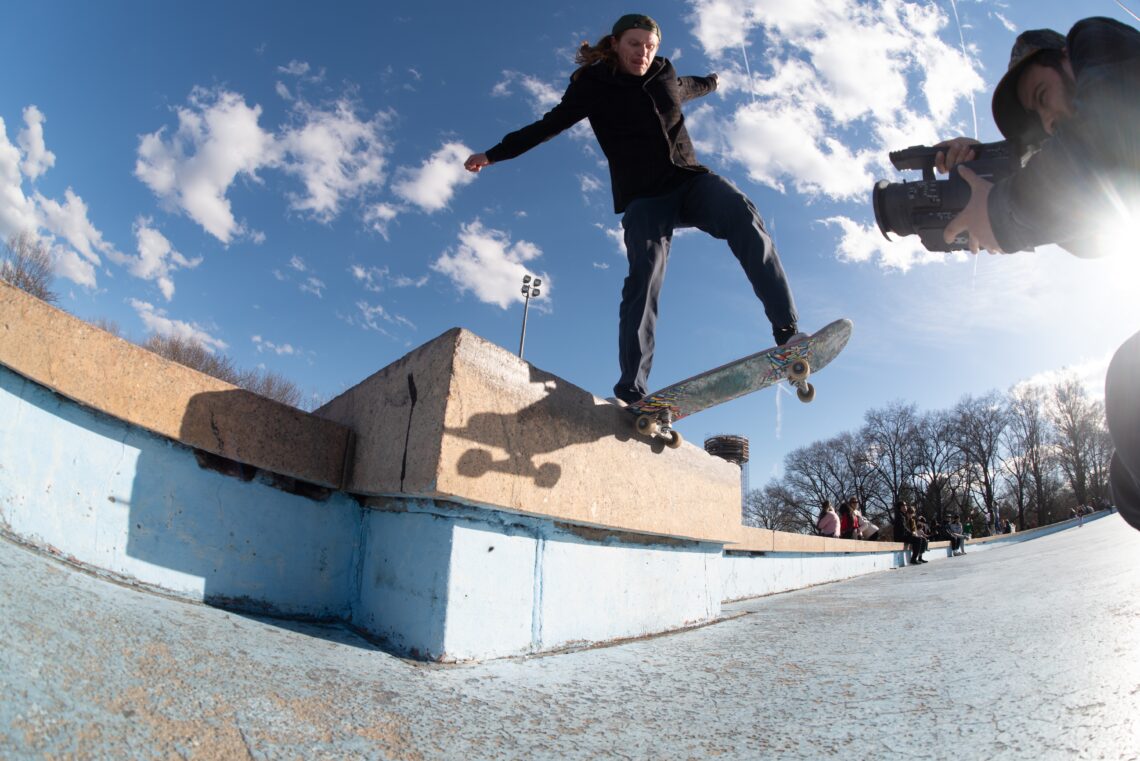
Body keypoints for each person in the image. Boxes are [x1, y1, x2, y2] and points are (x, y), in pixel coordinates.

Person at [464, 14, 801, 405]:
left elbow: (690, 86)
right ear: (615, 44)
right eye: (635, 44)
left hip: (689, 182)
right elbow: (547, 125)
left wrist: (712, 81)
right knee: (644, 275)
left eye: (650, 46)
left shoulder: (664, 75)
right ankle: (632, 389)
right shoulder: (593, 86)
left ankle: (787, 331)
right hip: (645, 199)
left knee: (741, 211)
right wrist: (493, 154)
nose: (643, 53)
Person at [934, 17, 1140, 536]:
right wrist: (990, 170)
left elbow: (1101, 142)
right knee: (1127, 480)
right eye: (1039, 118)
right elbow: (1093, 236)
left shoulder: (1097, 42)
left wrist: (1002, 212)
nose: (1048, 120)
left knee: (1130, 379)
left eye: (1043, 96)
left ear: (1065, 60)